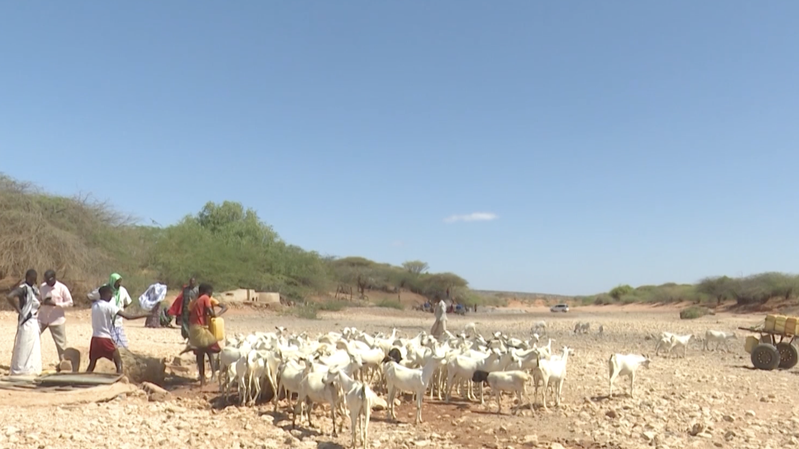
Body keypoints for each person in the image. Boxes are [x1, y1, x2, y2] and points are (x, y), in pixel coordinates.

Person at [87, 285, 148, 374]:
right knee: (118, 361)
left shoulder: (95, 305)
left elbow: (90, 297)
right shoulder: (109, 306)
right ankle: (119, 377)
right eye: (110, 294)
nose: (111, 296)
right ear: (106, 294)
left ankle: (85, 377)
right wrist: (146, 314)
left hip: (95, 339)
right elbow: (128, 317)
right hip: (105, 338)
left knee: (92, 363)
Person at [188, 283, 227, 386]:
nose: (210, 295)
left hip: (193, 328)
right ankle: (213, 375)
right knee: (211, 348)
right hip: (200, 328)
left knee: (200, 352)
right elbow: (211, 312)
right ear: (206, 292)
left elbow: (189, 313)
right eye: (210, 293)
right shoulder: (205, 298)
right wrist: (216, 315)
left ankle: (202, 378)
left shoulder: (195, 300)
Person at [6, 269, 43, 376]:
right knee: (24, 345)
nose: (33, 280)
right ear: (27, 277)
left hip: (34, 320)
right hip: (26, 321)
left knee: (33, 347)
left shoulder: (34, 290)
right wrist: (19, 310)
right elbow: (10, 296)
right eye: (31, 279)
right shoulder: (24, 288)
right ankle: (21, 370)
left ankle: (32, 369)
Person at [87, 273, 133, 349]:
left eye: (119, 282)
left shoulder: (122, 290)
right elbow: (90, 297)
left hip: (118, 322)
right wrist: (99, 305)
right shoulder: (104, 289)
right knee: (110, 346)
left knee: (122, 347)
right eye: (117, 282)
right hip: (107, 324)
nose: (119, 284)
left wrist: (120, 310)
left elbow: (127, 302)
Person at [38, 269, 74, 363]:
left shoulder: (62, 288)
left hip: (57, 320)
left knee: (61, 344)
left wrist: (56, 304)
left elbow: (70, 302)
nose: (47, 282)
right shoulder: (42, 287)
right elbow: (38, 299)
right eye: (46, 280)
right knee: (33, 336)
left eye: (49, 280)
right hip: (42, 318)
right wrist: (43, 302)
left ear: (54, 278)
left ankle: (64, 363)